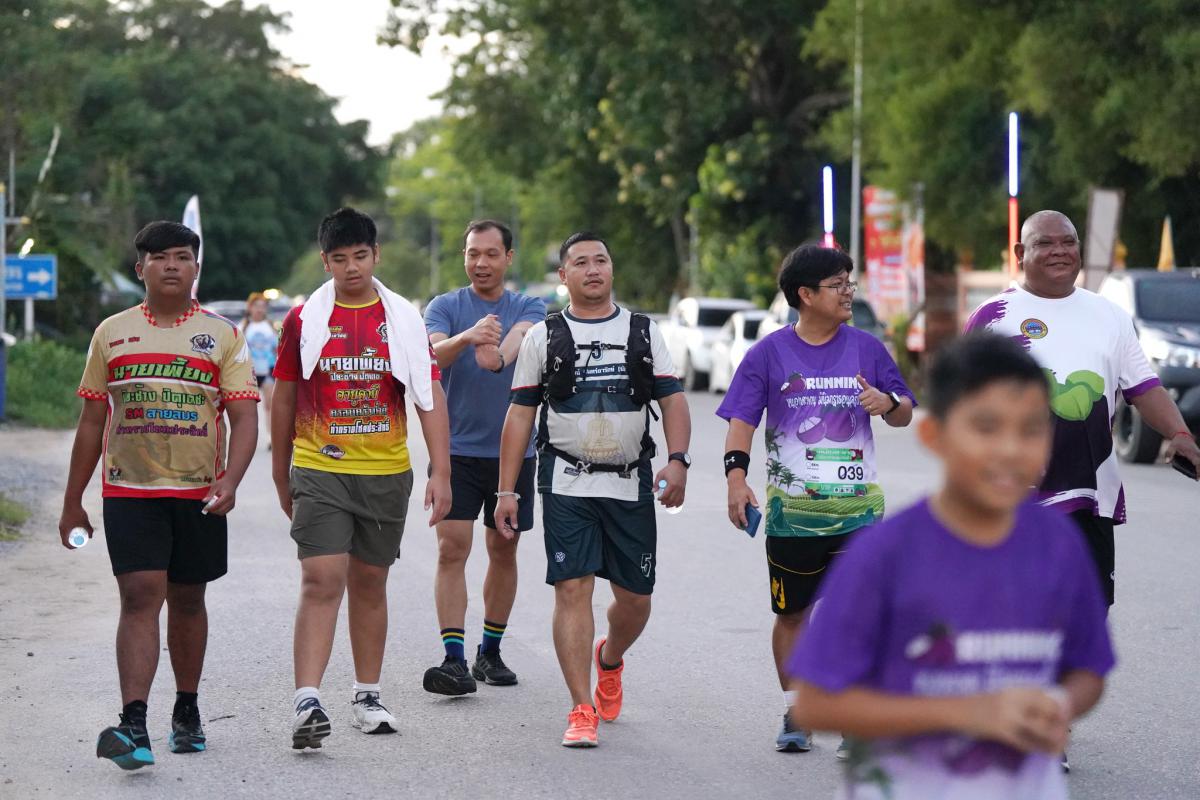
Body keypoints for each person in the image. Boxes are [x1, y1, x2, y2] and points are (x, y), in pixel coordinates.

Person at [788, 331, 1114, 800]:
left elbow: (1089, 671)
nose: (1010, 449)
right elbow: (815, 704)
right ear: (934, 435)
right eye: (986, 427)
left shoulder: (1060, 545)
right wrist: (967, 715)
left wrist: (1058, 705)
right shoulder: (884, 554)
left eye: (1031, 429)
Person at [58, 221, 260, 770]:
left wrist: (231, 479)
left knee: (188, 599)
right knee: (140, 596)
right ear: (140, 268)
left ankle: (187, 709)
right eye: (160, 257)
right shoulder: (111, 333)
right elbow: (91, 419)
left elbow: (244, 417)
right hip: (129, 488)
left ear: (196, 268)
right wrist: (73, 499)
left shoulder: (222, 334)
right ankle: (133, 722)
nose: (172, 265)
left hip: (198, 493)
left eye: (182, 256)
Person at [495, 231, 691, 748]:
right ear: (564, 276)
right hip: (565, 480)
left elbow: (672, 399)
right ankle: (581, 707)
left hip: (629, 482)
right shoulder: (544, 336)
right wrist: (506, 491)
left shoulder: (643, 331)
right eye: (580, 262)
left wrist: (678, 460)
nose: (592, 269)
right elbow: (520, 415)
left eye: (600, 260)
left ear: (611, 268)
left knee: (636, 599)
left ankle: (610, 658)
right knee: (572, 587)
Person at [717, 244, 915, 755]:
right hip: (793, 517)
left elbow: (904, 412)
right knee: (792, 616)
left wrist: (888, 402)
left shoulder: (868, 349)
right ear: (805, 294)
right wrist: (736, 479)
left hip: (859, 513)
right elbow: (741, 422)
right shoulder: (767, 354)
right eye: (838, 284)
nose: (849, 291)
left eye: (850, 281)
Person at [271, 207, 452, 749]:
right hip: (320, 466)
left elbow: (428, 394)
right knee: (321, 579)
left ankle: (367, 696)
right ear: (324, 261)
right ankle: (307, 702)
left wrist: (441, 470)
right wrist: (280, 472)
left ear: (376, 255)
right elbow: (284, 397)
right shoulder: (303, 321)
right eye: (340, 258)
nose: (352, 268)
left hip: (385, 471)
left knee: (370, 584)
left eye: (360, 256)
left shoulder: (403, 320)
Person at [966, 210, 1200, 612]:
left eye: (1068, 242)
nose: (1059, 251)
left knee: (1088, 614)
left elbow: (1144, 387)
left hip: (1091, 492)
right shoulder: (993, 317)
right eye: (1045, 243)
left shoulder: (1110, 316)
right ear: (1020, 253)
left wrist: (1179, 434)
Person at [421, 220, 546, 695]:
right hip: (454, 450)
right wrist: (468, 337)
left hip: (513, 453)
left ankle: (489, 651)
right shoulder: (445, 306)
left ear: (508, 258)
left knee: (503, 548)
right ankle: (453, 659)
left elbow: (518, 339)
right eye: (473, 253)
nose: (481, 262)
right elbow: (433, 357)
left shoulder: (529, 305)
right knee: (451, 548)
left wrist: (496, 355)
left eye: (492, 254)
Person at [241, 292, 277, 438]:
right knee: (249, 410)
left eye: (262, 306)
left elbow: (277, 348)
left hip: (268, 371)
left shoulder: (270, 326)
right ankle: (248, 437)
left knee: (270, 405)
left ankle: (270, 437)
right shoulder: (243, 327)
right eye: (256, 306)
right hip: (250, 372)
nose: (259, 309)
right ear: (250, 307)